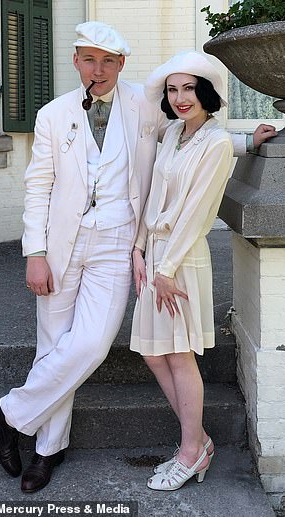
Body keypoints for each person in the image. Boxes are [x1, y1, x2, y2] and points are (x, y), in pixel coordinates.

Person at [0, 21, 276, 494]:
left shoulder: (145, 102)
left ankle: (8, 413)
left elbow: (194, 133)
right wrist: (35, 251)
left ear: (122, 65)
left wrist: (246, 141)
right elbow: (38, 186)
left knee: (92, 344)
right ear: (75, 61)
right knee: (54, 344)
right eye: (88, 59)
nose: (97, 69)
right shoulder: (53, 115)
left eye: (108, 61)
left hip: (119, 243)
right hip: (60, 246)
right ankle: (46, 449)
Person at [130, 50, 237, 491]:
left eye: (189, 88)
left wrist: (167, 267)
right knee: (154, 353)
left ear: (206, 92)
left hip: (182, 259)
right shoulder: (173, 132)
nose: (179, 98)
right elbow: (154, 191)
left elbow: (197, 214)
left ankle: (190, 450)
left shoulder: (218, 143)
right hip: (155, 256)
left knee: (179, 355)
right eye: (173, 90)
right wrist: (139, 250)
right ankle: (199, 443)